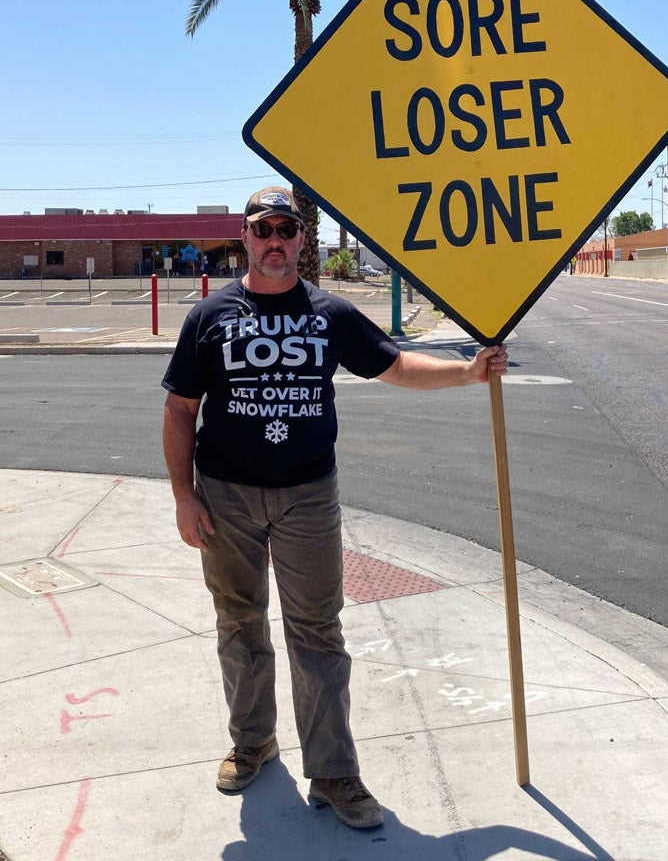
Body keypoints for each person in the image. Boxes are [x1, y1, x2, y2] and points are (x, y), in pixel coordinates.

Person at [161, 186, 508, 830]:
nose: (274, 241)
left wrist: (468, 372)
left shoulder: (328, 312)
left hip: (309, 495)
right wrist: (184, 496)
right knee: (239, 622)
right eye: (262, 229)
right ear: (245, 237)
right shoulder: (209, 316)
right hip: (226, 494)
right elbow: (181, 410)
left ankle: (335, 773)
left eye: (285, 231)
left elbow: (396, 366)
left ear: (300, 240)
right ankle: (252, 742)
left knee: (318, 630)